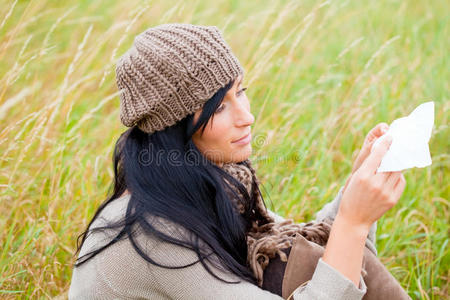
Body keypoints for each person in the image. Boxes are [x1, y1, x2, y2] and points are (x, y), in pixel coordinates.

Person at [68, 23, 407, 299]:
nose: (248, 116)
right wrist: (353, 221)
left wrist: (358, 187)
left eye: (240, 91)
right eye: (219, 107)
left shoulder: (204, 180)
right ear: (175, 130)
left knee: (306, 258)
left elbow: (335, 257)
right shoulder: (151, 232)